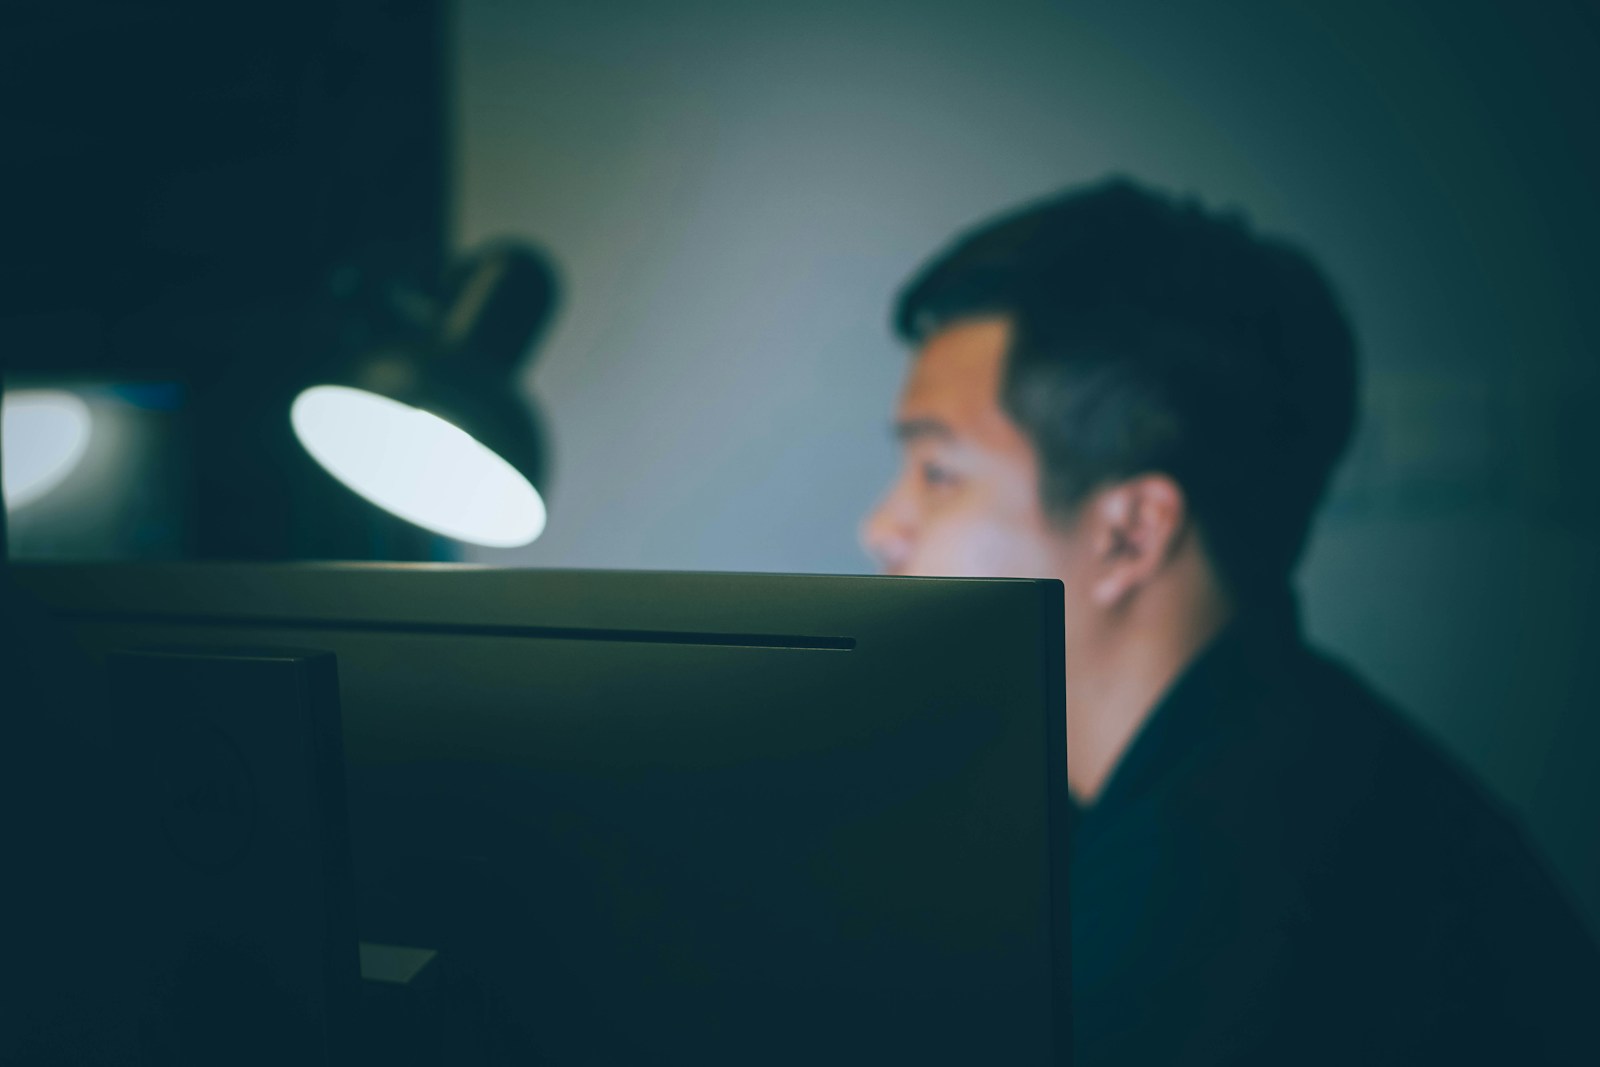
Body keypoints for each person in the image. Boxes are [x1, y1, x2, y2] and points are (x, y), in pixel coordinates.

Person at [860, 178, 1600, 1066]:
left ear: (1132, 533)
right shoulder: (1253, 763)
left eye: (938, 473)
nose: (881, 528)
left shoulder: (1217, 911)